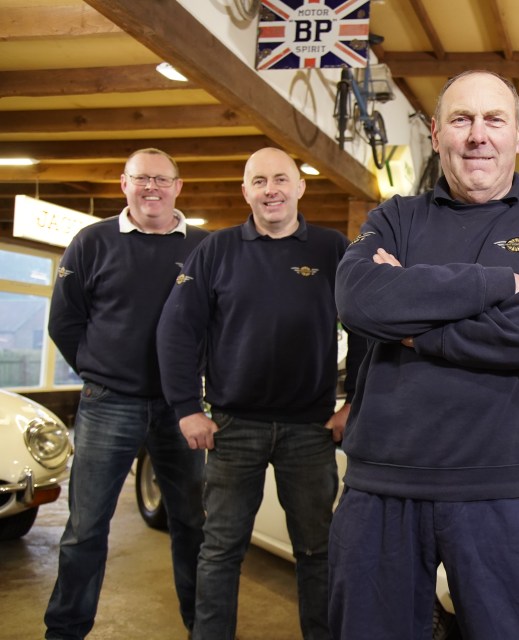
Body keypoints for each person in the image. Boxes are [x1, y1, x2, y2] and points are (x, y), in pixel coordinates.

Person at [330, 70, 519, 639]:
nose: (478, 135)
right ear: (436, 132)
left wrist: (414, 326)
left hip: (503, 488)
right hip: (383, 486)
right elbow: (358, 299)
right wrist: (502, 283)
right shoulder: (393, 218)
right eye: (461, 119)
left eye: (493, 119)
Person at [155, 147, 363, 640]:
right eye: (259, 181)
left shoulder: (333, 249)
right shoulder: (216, 250)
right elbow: (176, 329)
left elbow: (367, 331)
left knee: (318, 551)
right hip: (232, 426)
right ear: (245, 190)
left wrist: (355, 401)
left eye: (280, 179)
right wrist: (186, 408)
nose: (271, 189)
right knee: (221, 548)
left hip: (310, 430)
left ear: (300, 186)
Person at [44, 148, 207, 639]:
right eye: (142, 179)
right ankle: (66, 631)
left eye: (162, 179)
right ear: (124, 183)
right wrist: (100, 370)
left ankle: (204, 627)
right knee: (85, 528)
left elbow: (219, 323)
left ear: (179, 186)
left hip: (181, 408)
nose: (151, 188)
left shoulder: (205, 246)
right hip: (107, 402)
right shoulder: (91, 242)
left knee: (193, 525)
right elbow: (64, 322)